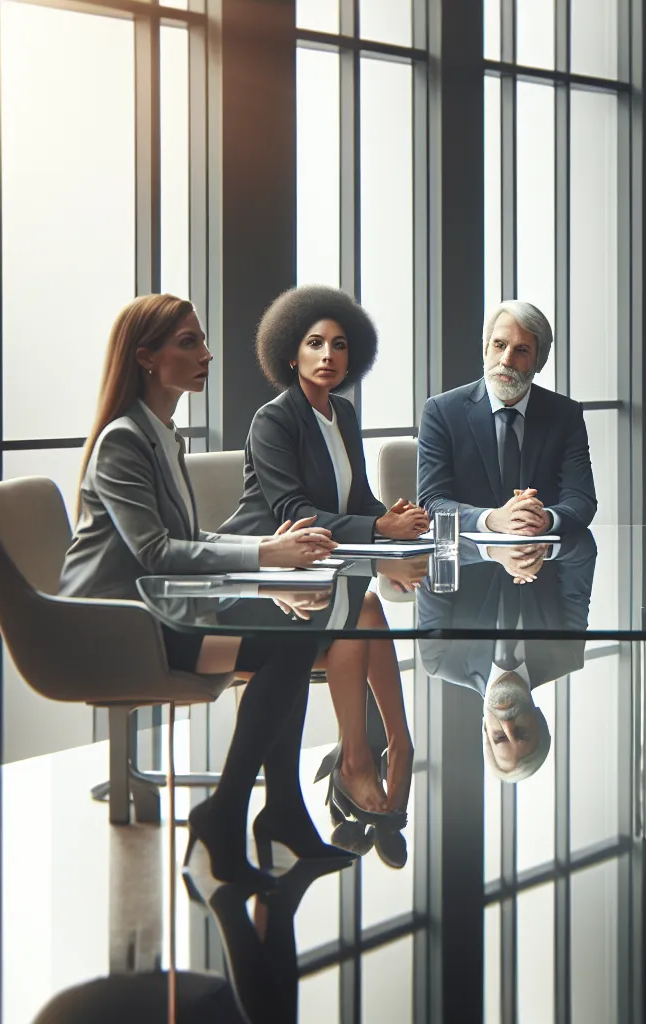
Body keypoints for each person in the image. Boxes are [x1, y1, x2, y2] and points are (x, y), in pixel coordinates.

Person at [58, 294, 345, 891]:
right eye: (189, 342)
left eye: (202, 340)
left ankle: (277, 810)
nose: (207, 354)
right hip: (117, 627)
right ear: (146, 357)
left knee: (295, 636)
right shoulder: (122, 441)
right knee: (288, 642)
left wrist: (268, 549)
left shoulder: (162, 435)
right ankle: (229, 813)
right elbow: (156, 553)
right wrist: (265, 555)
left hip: (160, 612)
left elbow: (186, 539)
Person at [218, 285, 422, 836]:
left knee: (366, 609)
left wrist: (396, 519)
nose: (328, 355)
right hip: (264, 574)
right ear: (291, 353)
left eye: (339, 345)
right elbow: (293, 511)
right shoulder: (273, 420)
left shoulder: (343, 414)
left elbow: (357, 502)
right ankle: (362, 759)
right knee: (361, 612)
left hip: (319, 569)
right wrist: (378, 530)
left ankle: (390, 746)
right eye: (314, 343)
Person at [415, 532, 599, 782]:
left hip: (464, 516)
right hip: (540, 519)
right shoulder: (567, 654)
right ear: (538, 719)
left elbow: (433, 556)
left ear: (485, 728)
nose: (508, 725)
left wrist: (492, 550)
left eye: (499, 737)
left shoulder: (441, 660)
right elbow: (582, 549)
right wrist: (538, 548)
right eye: (521, 733)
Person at [418, 300, 596, 536]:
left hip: (540, 553)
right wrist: (491, 519)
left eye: (521, 350)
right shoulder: (441, 412)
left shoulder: (565, 414)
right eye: (499, 345)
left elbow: (582, 499)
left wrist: (546, 518)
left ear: (539, 361)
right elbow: (432, 501)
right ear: (485, 349)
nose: (506, 360)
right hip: (468, 555)